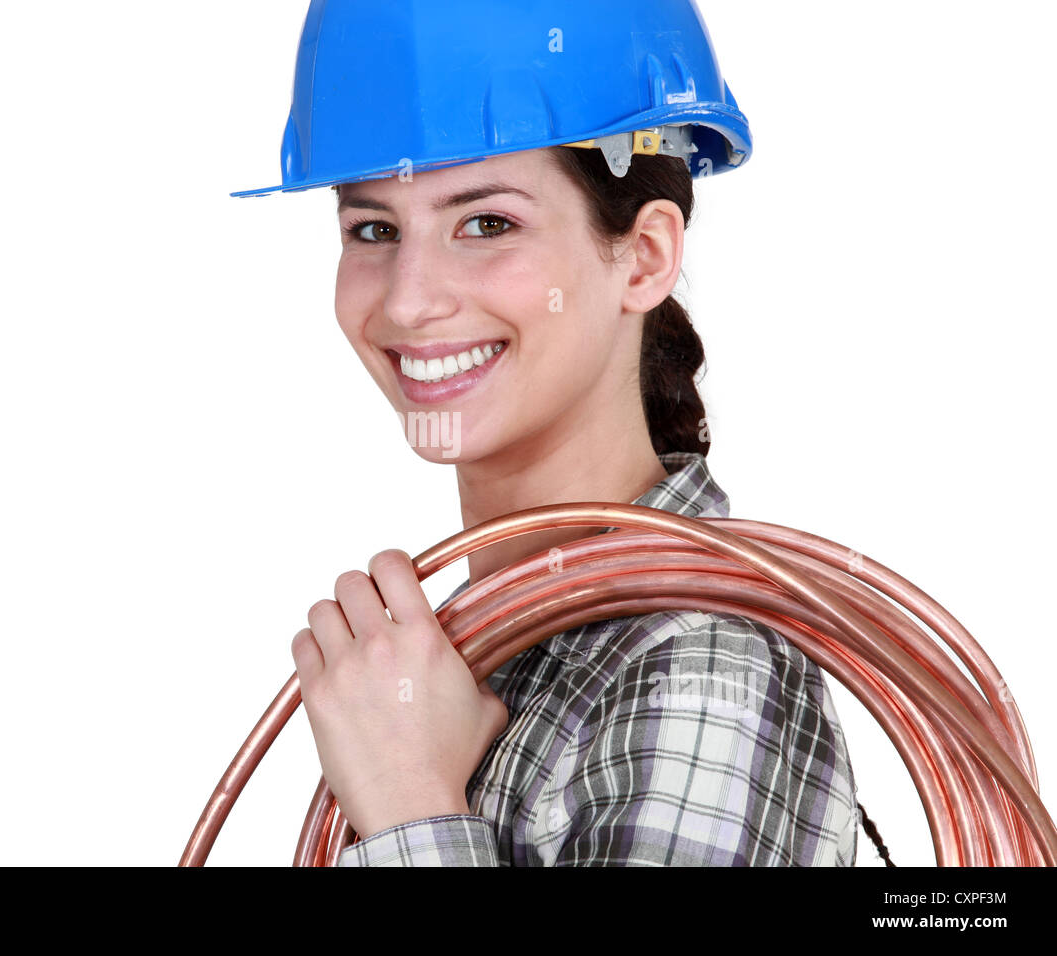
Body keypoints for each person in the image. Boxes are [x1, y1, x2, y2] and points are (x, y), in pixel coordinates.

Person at [239, 0, 891, 866]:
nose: (406, 299)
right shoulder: (466, 668)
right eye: (373, 229)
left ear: (645, 256)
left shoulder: (703, 666)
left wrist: (406, 804)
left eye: (487, 223)